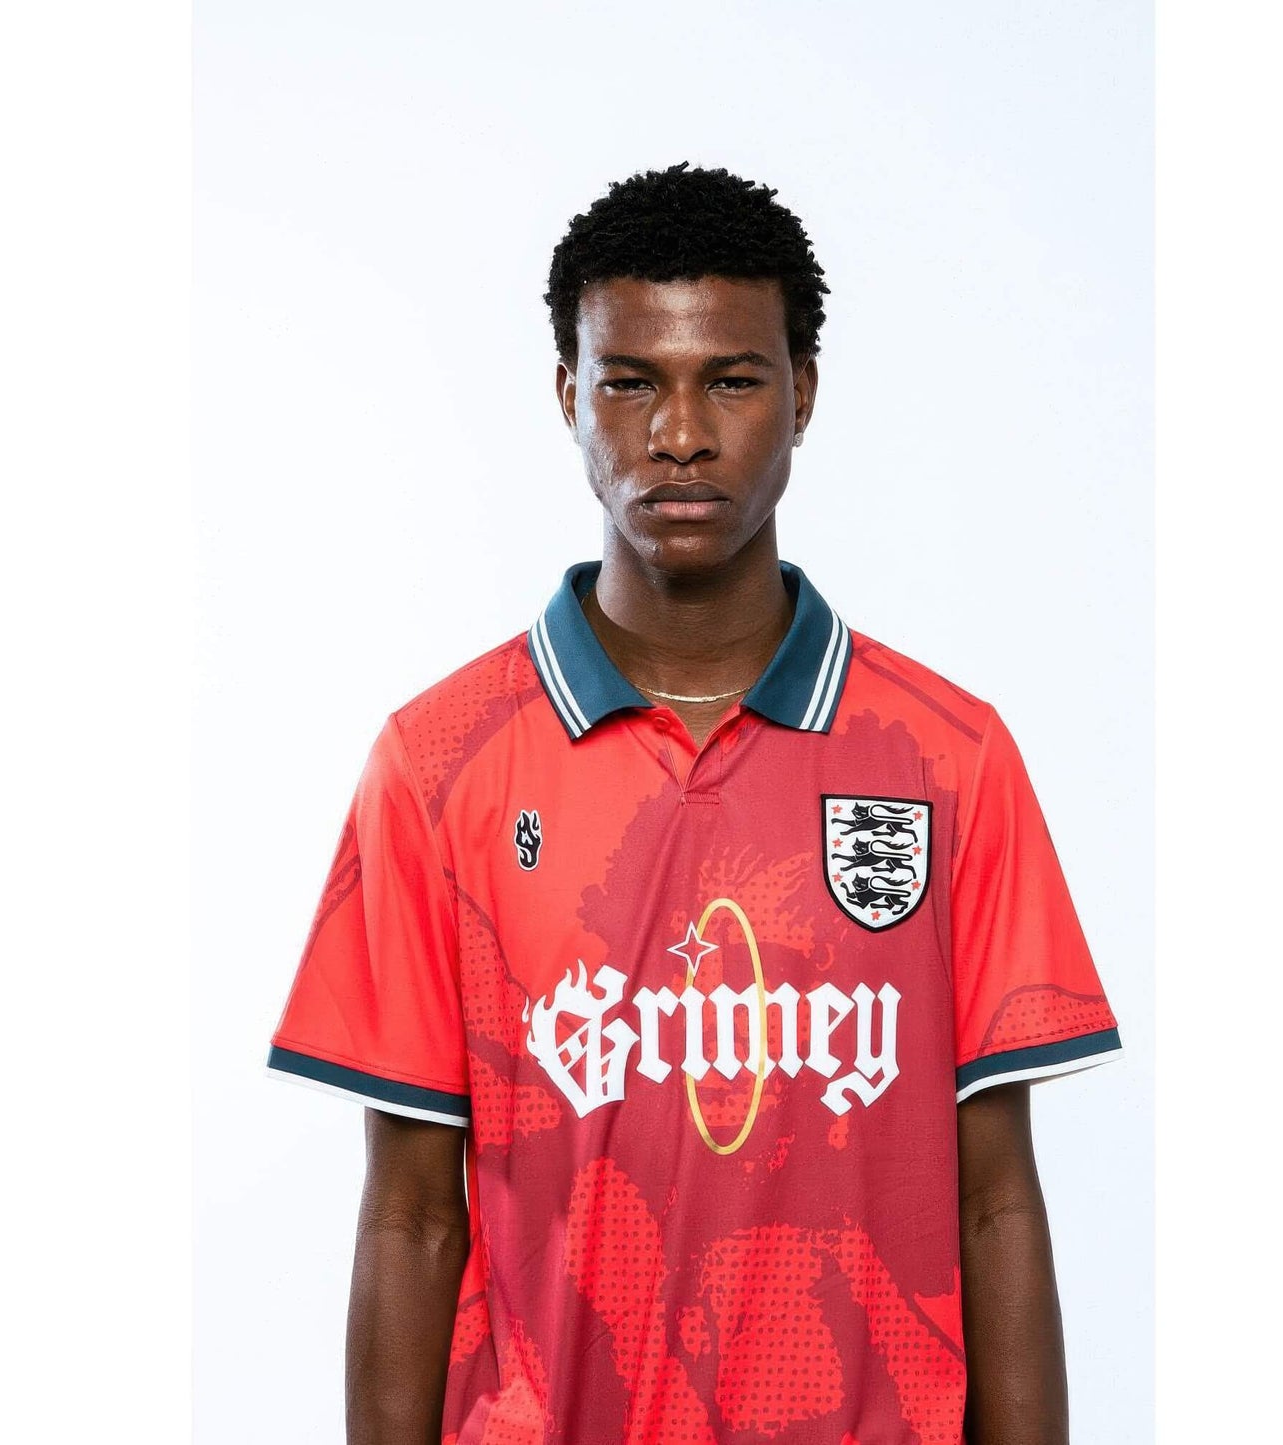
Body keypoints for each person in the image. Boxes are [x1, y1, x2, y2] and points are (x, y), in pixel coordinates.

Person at [266, 161, 1123, 1445]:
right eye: (629, 381)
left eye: (730, 379)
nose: (678, 432)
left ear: (802, 393)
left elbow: (994, 1196)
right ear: (569, 395)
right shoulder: (438, 763)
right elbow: (411, 1211)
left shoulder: (945, 757)